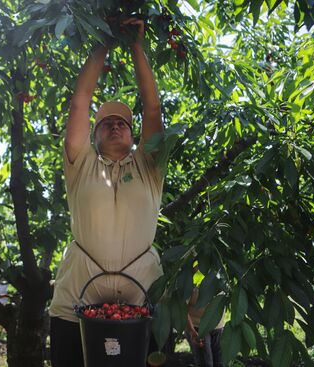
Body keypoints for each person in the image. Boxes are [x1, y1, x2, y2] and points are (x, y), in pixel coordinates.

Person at [48, 17, 165, 367]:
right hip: (77, 290)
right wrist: (104, 39)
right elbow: (79, 102)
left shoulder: (149, 166)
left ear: (133, 136)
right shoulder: (81, 163)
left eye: (123, 123)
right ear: (94, 136)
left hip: (142, 290)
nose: (115, 125)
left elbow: (154, 108)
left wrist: (136, 47)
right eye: (106, 123)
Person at [185, 287, 225, 367]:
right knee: (206, 363)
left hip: (218, 326)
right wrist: (192, 330)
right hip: (197, 327)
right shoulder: (190, 278)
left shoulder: (220, 276)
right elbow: (182, 307)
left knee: (220, 362)